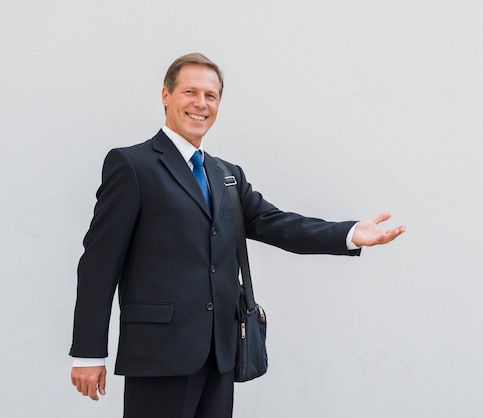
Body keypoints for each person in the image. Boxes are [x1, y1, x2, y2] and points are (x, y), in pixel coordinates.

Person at [69, 52, 406, 418]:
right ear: (166, 96)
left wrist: (351, 234)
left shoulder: (226, 174)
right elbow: (98, 263)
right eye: (190, 92)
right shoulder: (132, 165)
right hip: (160, 353)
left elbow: (275, 223)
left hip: (222, 351)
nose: (201, 104)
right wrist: (89, 352)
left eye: (211, 96)